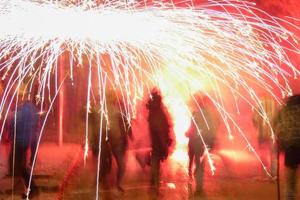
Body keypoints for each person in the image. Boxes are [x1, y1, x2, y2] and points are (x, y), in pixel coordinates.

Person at [185, 93, 219, 194]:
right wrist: (213, 140)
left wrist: (187, 134)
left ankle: (199, 184)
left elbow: (192, 128)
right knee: (202, 163)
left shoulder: (196, 114)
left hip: (197, 141)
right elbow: (213, 127)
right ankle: (199, 184)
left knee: (198, 162)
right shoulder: (210, 115)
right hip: (207, 141)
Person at [9, 91, 39, 199]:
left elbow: (16, 122)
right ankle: (31, 189)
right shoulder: (31, 108)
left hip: (21, 141)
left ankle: (33, 188)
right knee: (20, 166)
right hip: (25, 140)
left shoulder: (23, 109)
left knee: (19, 167)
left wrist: (12, 116)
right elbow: (34, 123)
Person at [146, 89, 173, 192]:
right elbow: (160, 132)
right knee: (155, 162)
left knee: (155, 162)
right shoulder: (158, 114)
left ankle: (153, 183)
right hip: (158, 143)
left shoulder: (153, 113)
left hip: (156, 143)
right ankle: (155, 187)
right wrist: (164, 146)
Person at [274, 94, 300, 200]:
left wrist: (280, 134)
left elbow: (274, 122)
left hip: (291, 147)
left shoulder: (284, 109)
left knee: (290, 181)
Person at [106, 91, 133, 192]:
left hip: (120, 141)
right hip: (116, 142)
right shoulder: (113, 112)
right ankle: (117, 183)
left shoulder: (119, 112)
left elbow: (127, 124)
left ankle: (117, 182)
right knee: (121, 164)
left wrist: (130, 135)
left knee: (121, 163)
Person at [252, 96, 278, 179]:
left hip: (261, 134)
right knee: (273, 154)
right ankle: (273, 174)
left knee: (263, 154)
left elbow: (254, 118)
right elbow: (278, 119)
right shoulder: (274, 104)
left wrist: (258, 128)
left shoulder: (258, 104)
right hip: (272, 134)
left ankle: (265, 174)